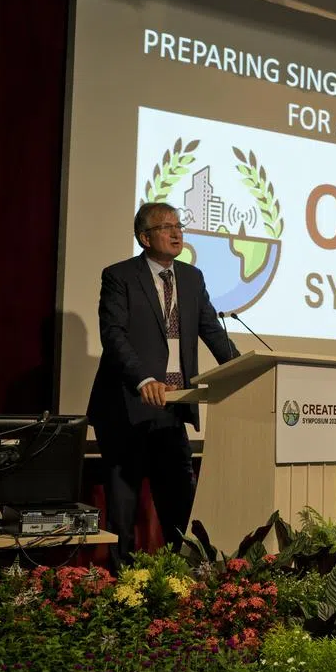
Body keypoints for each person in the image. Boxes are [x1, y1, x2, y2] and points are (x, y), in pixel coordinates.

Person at [87, 202, 238, 567]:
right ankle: (122, 586)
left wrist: (242, 369)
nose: (176, 233)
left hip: (172, 406)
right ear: (144, 237)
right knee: (122, 512)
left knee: (179, 507)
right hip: (127, 407)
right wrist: (144, 379)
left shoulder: (191, 277)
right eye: (166, 227)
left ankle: (178, 582)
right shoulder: (120, 276)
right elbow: (114, 335)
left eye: (178, 226)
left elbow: (211, 331)